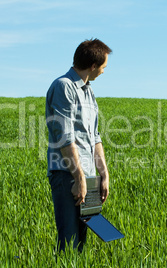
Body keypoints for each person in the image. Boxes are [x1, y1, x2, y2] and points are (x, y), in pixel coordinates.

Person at [45, 38, 112, 253]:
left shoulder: (88, 91)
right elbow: (65, 137)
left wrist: (103, 174)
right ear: (93, 66)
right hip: (68, 175)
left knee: (81, 244)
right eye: (103, 67)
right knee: (69, 242)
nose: (103, 71)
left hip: (87, 177)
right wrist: (79, 178)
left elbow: (95, 136)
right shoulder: (63, 87)